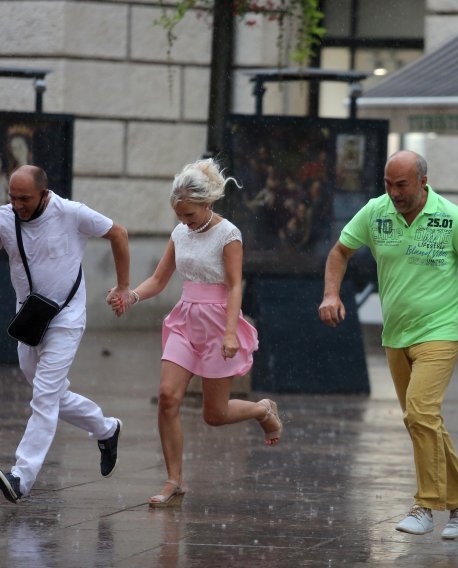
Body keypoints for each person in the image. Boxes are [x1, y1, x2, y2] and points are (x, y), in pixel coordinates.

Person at [318, 150, 458, 539]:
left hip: (440, 331)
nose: (394, 193)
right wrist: (330, 294)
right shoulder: (376, 212)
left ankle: (427, 505)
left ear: (423, 181)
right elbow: (340, 251)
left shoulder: (451, 217)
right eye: (388, 184)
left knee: (420, 413)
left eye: (401, 185)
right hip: (396, 333)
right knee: (423, 421)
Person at [110, 158, 282, 507]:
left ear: (207, 204)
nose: (184, 222)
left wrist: (231, 333)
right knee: (168, 397)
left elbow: (235, 287)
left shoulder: (228, 234)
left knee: (214, 415)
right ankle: (174, 480)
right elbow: (160, 279)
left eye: (189, 215)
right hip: (186, 320)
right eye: (179, 215)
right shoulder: (180, 233)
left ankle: (262, 410)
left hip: (219, 323)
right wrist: (132, 296)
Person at [0, 165, 128, 504]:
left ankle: (21, 476)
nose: (17, 205)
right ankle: (106, 428)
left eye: (24, 198)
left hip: (67, 318)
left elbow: (119, 233)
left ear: (44, 193)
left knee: (44, 395)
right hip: (29, 320)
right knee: (52, 394)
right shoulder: (5, 218)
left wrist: (124, 286)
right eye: (12, 197)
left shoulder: (71, 213)